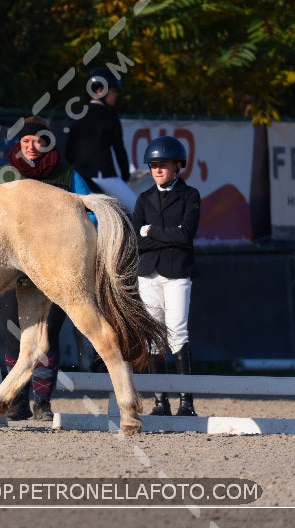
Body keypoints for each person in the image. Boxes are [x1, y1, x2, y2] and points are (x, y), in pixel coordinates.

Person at [0, 116, 96, 421]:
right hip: (12, 271)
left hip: (56, 270)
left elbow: (93, 217)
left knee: (47, 336)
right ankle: (17, 400)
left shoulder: (68, 176)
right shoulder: (5, 175)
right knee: (14, 336)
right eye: (24, 142)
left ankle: (43, 403)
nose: (31, 147)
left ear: (48, 142)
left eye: (37, 141)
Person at [132, 135, 201, 417]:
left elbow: (186, 235)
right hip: (148, 273)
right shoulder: (144, 198)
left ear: (177, 166)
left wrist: (152, 231)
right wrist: (158, 236)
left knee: (177, 332)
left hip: (177, 273)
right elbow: (139, 239)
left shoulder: (190, 195)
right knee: (153, 338)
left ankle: (187, 402)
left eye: (163, 165)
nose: (158, 170)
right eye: (153, 165)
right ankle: (160, 402)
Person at [63, 66, 131, 191]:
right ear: (100, 90)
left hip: (79, 178)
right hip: (104, 176)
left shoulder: (77, 115)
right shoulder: (110, 116)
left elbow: (68, 153)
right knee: (136, 208)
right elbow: (119, 150)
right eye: (113, 91)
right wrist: (125, 176)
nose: (115, 95)